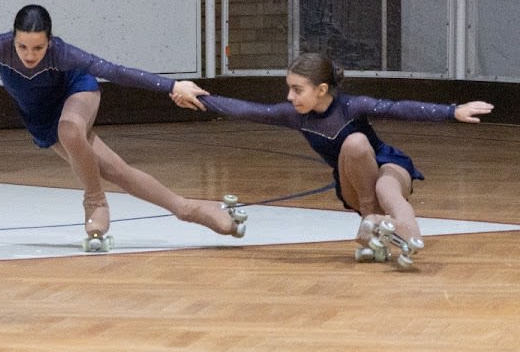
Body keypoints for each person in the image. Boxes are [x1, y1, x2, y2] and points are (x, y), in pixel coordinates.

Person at [0, 4, 248, 251]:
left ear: (50, 40)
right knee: (115, 170)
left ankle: (94, 203)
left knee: (71, 129)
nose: (30, 54)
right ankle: (190, 209)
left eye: (38, 47)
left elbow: (116, 71)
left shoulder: (65, 56)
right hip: (42, 116)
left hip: (77, 93)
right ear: (12, 39)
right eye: (23, 46)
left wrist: (172, 87)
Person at [195, 52, 493, 266]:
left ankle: (409, 238)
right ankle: (372, 220)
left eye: (297, 89)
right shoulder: (293, 116)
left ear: (321, 89)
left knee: (374, 169)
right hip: (351, 181)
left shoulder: (352, 106)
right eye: (289, 89)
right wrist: (198, 98)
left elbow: (400, 108)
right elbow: (246, 110)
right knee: (354, 148)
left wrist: (451, 111)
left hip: (388, 164)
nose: (289, 96)